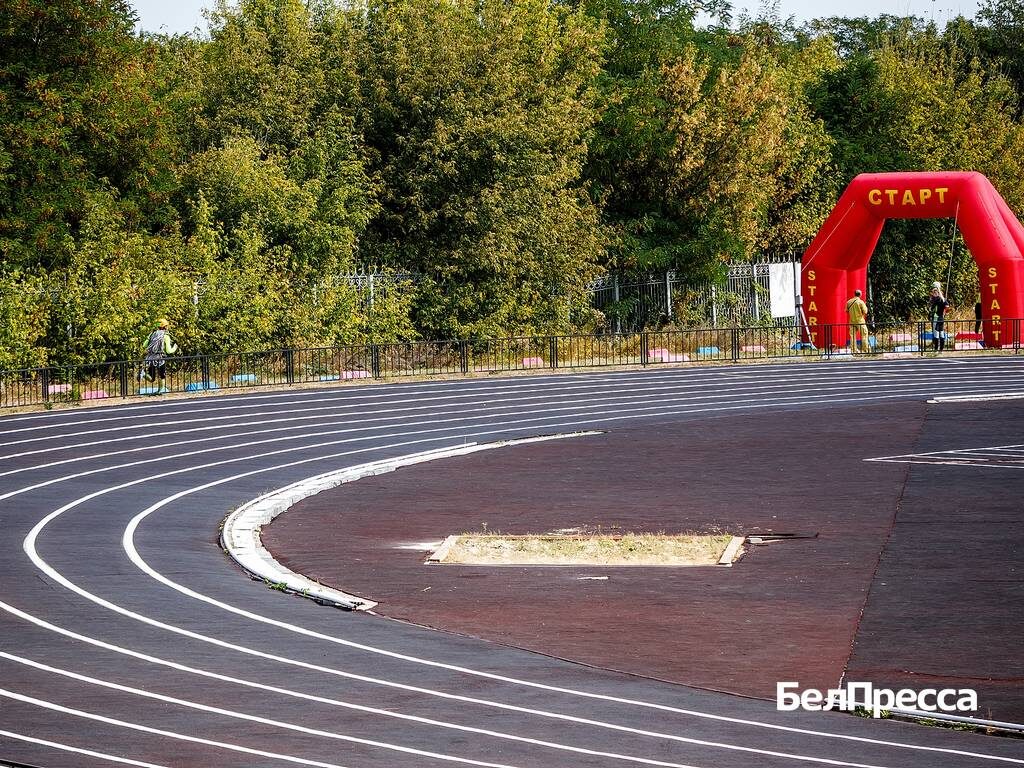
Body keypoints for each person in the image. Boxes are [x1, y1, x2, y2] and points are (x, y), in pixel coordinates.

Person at [142, 319, 179, 394]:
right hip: (160, 358)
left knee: (152, 377)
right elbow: (169, 351)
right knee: (162, 375)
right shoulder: (165, 336)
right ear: (165, 327)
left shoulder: (152, 334)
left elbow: (144, 345)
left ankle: (143, 374)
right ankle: (160, 391)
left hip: (150, 358)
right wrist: (175, 348)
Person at [845, 289, 871, 354]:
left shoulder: (849, 302)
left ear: (854, 294)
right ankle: (866, 350)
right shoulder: (861, 302)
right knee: (864, 335)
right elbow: (865, 311)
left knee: (852, 336)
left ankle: (854, 351)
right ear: (860, 295)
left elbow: (846, 311)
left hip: (852, 321)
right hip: (860, 321)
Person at [928, 282, 950, 352]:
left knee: (936, 333)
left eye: (934, 292)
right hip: (941, 318)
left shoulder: (935, 299)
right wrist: (944, 313)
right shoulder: (943, 299)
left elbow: (930, 307)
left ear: (936, 292)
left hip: (936, 317)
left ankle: (936, 349)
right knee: (941, 333)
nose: (933, 294)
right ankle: (941, 349)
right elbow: (947, 307)